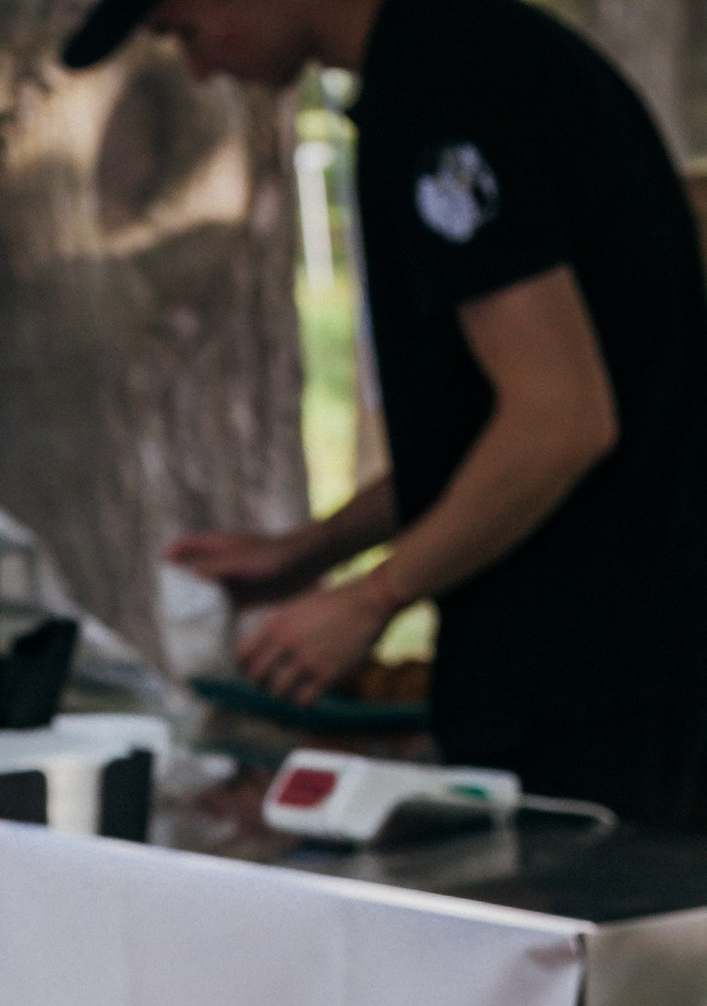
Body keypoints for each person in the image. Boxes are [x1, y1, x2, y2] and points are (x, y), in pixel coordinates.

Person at [99, 0, 707, 823]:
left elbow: (561, 423)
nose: (200, 67)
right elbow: (495, 430)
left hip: (614, 682)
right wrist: (315, 549)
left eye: (182, 27)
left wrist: (372, 598)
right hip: (604, 666)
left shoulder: (447, 92)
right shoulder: (457, 63)